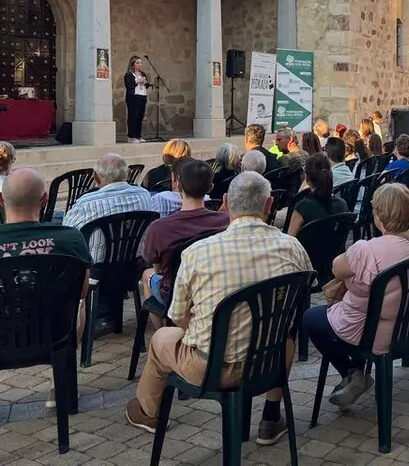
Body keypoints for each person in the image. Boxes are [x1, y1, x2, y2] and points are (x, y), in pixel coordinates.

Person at [126, 172, 311, 444]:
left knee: (161, 338)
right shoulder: (293, 247)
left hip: (211, 369)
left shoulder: (198, 253)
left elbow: (177, 316)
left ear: (224, 201)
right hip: (268, 362)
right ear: (269, 204)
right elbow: (301, 300)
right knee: (284, 336)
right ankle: (271, 416)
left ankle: (148, 411)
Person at [302, 183, 409, 407]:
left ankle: (353, 372)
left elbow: (336, 268)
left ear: (379, 215)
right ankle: (356, 375)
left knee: (311, 318)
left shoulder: (366, 249)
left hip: (372, 334)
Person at [0, 168, 93, 408]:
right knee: (79, 305)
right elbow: (81, 292)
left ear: (1, 199)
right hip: (53, 333)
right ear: (45, 199)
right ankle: (60, 386)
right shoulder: (71, 239)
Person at [64, 153, 152, 333]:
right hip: (133, 266)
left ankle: (87, 318)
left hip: (98, 270)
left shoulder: (86, 203)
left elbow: (68, 234)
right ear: (127, 173)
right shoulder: (144, 196)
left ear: (96, 177)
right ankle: (105, 314)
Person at [140, 159, 228, 309]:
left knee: (147, 274)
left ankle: (163, 328)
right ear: (210, 187)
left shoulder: (159, 227)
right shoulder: (226, 220)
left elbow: (158, 269)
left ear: (178, 184)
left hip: (174, 291)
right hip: (212, 285)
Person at [286, 153, 349, 238]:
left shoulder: (302, 207)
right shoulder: (342, 204)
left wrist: (300, 190)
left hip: (305, 251)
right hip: (334, 250)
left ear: (307, 177)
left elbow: (290, 240)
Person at [123, 55, 152, 144]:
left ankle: (138, 136)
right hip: (134, 97)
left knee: (140, 117)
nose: (140, 64)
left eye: (141, 63)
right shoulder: (129, 75)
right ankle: (131, 137)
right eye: (138, 63)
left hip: (142, 96)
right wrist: (138, 81)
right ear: (133, 65)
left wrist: (145, 82)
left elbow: (146, 86)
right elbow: (129, 85)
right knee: (133, 117)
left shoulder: (143, 74)